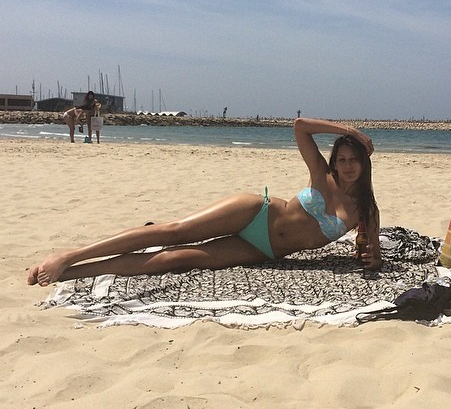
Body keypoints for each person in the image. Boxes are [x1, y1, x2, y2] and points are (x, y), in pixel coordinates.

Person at [27, 118, 382, 287]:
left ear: (364, 164)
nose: (347, 166)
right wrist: (349, 132)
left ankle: (68, 274)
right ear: (335, 161)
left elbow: (373, 255)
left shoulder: (366, 210)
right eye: (342, 159)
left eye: (353, 160)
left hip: (263, 250)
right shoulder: (322, 174)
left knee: (174, 259)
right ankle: (69, 256)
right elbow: (300, 126)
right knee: (174, 231)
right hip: (256, 213)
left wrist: (370, 258)